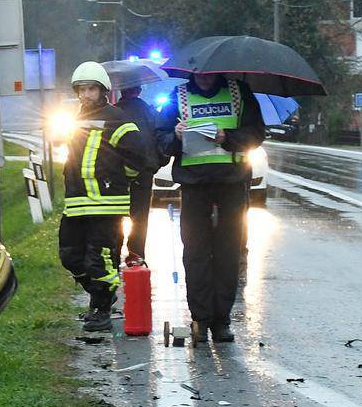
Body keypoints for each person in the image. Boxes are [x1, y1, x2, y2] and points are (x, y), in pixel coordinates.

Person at [154, 72, 266, 343]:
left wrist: (227, 137)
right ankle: (200, 320)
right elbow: (160, 140)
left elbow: (256, 135)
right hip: (194, 185)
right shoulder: (177, 96)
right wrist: (176, 137)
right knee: (196, 251)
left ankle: (222, 320)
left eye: (210, 74)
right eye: (200, 75)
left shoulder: (239, 93)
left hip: (232, 182)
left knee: (228, 251)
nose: (204, 79)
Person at [58, 62, 157, 336]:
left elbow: (139, 158)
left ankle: (100, 309)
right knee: (69, 255)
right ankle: (103, 295)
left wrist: (116, 178)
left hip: (106, 203)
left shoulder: (117, 119)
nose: (85, 94)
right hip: (77, 202)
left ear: (102, 90)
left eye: (91, 89)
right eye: (81, 89)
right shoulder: (75, 118)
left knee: (100, 259)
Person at [113, 84, 160, 266]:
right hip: (144, 172)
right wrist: (156, 163)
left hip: (117, 173)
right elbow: (160, 138)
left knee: (116, 214)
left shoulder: (114, 112)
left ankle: (114, 254)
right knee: (140, 216)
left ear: (121, 90)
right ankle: (136, 255)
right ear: (139, 90)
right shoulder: (150, 112)